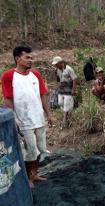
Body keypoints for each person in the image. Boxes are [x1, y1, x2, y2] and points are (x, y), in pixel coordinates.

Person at [1, 46, 52, 188]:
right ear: (18, 59)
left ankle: (34, 174)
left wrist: (48, 114)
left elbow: (43, 94)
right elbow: (8, 99)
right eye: (27, 57)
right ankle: (27, 177)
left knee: (40, 148)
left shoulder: (35, 74)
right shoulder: (8, 76)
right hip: (23, 121)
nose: (31, 60)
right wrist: (14, 119)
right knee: (30, 150)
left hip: (38, 118)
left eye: (31, 57)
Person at [52, 56, 77, 127]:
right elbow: (58, 80)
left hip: (68, 89)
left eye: (56, 64)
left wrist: (73, 90)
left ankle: (65, 120)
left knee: (66, 104)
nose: (55, 66)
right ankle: (68, 114)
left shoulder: (69, 69)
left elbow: (74, 79)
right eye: (55, 65)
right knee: (60, 103)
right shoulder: (58, 70)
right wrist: (55, 73)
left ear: (61, 63)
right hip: (61, 89)